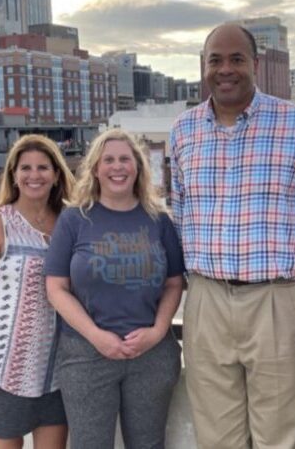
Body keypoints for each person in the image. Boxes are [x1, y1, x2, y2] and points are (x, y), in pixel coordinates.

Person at [169, 22, 295, 449]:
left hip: (278, 302)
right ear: (202, 67)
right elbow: (179, 218)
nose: (225, 69)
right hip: (206, 300)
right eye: (215, 60)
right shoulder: (183, 131)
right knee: (216, 439)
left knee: (279, 438)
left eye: (236, 59)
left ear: (256, 65)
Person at [44, 129, 185, 449]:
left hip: (151, 355)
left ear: (138, 167)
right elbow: (56, 288)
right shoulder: (73, 220)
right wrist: (96, 336)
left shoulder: (159, 221)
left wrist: (158, 330)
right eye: (108, 160)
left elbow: (175, 284)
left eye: (125, 159)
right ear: (95, 169)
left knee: (149, 445)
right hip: (85, 355)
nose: (117, 167)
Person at [0, 134, 74, 449]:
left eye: (43, 167)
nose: (34, 175)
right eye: (25, 168)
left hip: (58, 370)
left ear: (56, 175)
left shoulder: (71, 221)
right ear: (13, 175)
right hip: (3, 365)